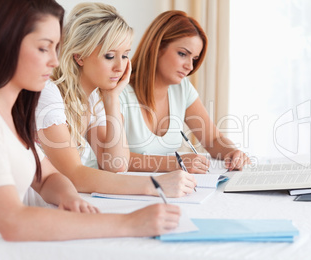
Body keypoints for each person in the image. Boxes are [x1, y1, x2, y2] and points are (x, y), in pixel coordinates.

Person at [0, 1, 180, 260]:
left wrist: (68, 195)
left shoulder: (13, 111)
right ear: (6, 43)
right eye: (43, 48)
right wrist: (129, 222)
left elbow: (47, 177)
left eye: (56, 48)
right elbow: (13, 221)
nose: (55, 60)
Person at [35, 3, 196, 197]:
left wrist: (112, 98)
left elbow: (115, 164)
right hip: (35, 207)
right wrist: (153, 184)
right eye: (110, 56)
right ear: (79, 56)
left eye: (125, 55)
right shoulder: (48, 94)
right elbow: (74, 175)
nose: (120, 67)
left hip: (65, 203)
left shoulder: (94, 97)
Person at [120, 10, 251, 173]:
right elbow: (113, 159)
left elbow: (213, 139)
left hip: (169, 189)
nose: (190, 66)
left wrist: (232, 152)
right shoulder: (119, 91)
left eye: (194, 58)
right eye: (183, 54)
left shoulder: (182, 88)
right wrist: (176, 163)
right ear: (157, 46)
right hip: (125, 192)